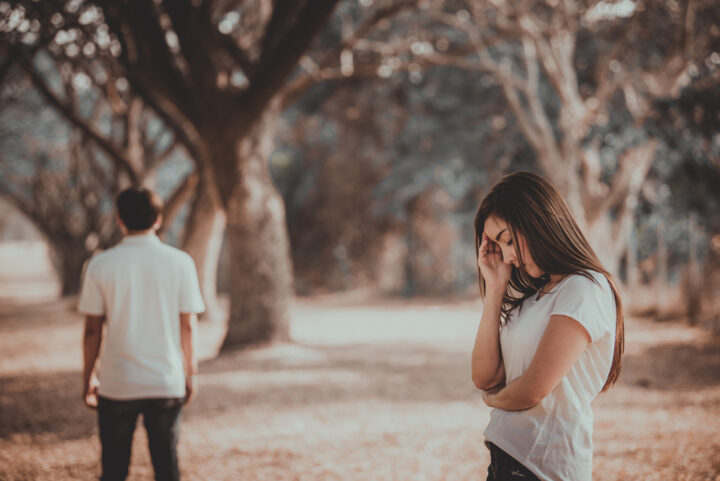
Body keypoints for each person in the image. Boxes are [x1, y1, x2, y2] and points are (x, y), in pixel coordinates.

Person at [471, 172, 624, 481]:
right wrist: (496, 287)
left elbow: (532, 389)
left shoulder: (583, 288)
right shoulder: (533, 297)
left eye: (510, 241)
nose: (509, 257)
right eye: (500, 247)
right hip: (505, 461)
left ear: (539, 221)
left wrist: (494, 401)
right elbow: (485, 375)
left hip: (543, 469)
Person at [79, 187, 205, 481]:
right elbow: (188, 326)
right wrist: (191, 373)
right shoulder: (180, 262)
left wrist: (88, 377)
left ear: (120, 219)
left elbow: (92, 330)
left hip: (116, 382)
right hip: (166, 379)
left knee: (113, 469)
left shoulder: (100, 265)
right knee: (167, 467)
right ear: (158, 219)